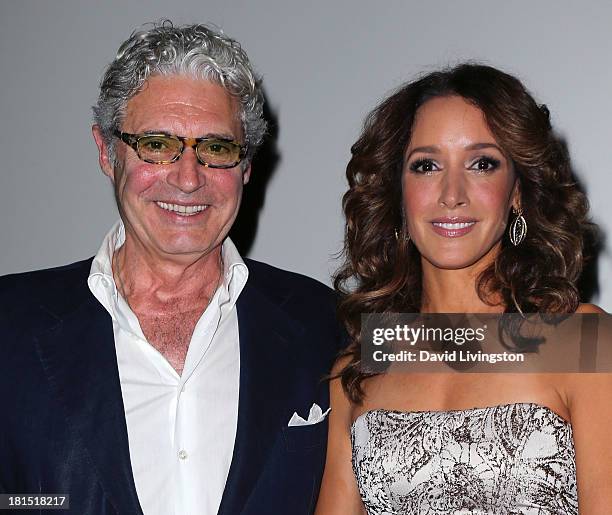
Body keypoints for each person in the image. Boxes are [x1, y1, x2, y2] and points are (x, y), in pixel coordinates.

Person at [0, 22, 344, 515]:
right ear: (105, 151)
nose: (188, 179)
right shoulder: (9, 324)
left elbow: (469, 356)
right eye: (157, 145)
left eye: (217, 148)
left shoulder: (327, 322)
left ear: (246, 166)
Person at [315, 63, 612, 514]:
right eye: (426, 165)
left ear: (516, 191)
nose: (451, 193)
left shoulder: (583, 342)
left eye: (482, 163)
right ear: (398, 190)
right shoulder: (362, 363)